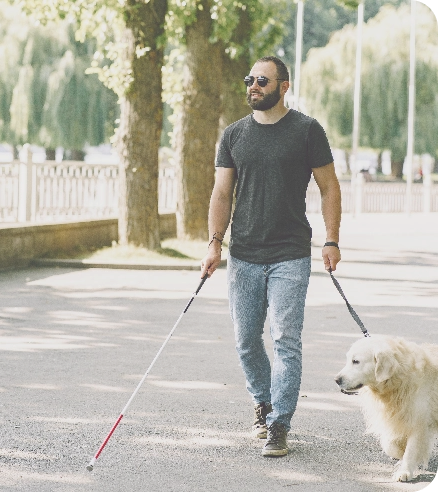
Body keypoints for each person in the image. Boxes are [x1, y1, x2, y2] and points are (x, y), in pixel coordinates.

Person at [200, 56, 342, 457]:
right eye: (250, 80)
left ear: (284, 86)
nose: (253, 86)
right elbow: (221, 193)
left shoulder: (307, 131)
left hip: (290, 254)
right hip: (243, 254)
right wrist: (214, 242)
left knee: (285, 339)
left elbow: (330, 187)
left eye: (262, 80)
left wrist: (332, 239)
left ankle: (280, 423)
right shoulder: (233, 135)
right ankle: (262, 402)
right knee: (246, 340)